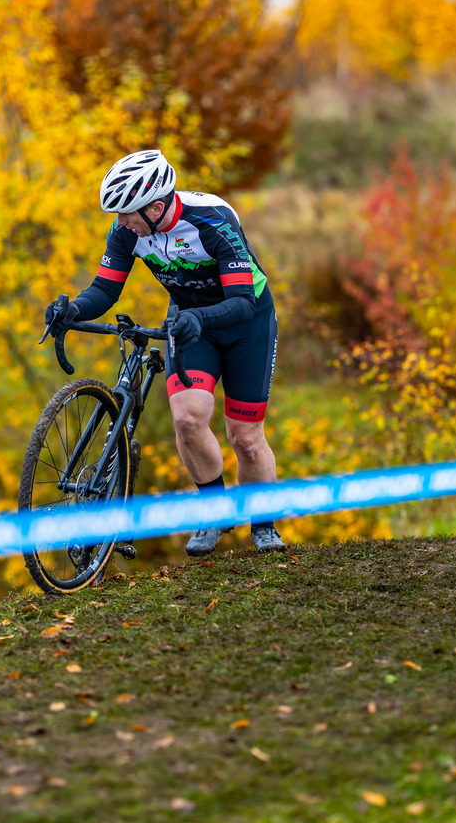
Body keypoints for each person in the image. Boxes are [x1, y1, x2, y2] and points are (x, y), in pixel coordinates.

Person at [45, 149, 284, 555]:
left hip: (247, 322)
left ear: (156, 207)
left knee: (244, 437)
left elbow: (243, 300)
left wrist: (201, 319)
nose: (120, 224)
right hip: (189, 323)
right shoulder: (128, 232)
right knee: (188, 419)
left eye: (126, 214)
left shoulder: (212, 221)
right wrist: (73, 310)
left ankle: (263, 524)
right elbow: (105, 289)